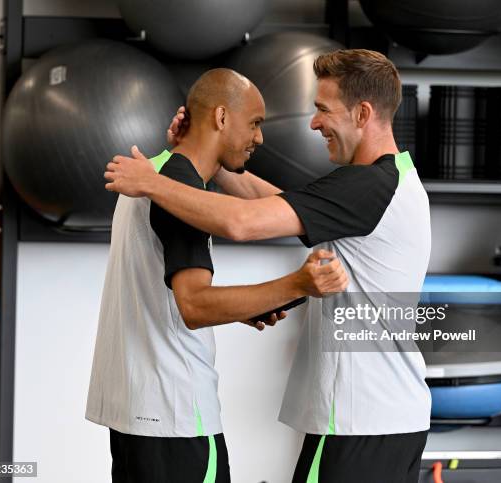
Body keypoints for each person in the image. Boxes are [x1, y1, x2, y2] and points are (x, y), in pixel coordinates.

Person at [104, 49, 431, 483]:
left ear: (362, 113)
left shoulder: (368, 186)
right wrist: (207, 154)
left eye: (322, 110)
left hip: (360, 420)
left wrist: (154, 180)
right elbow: (271, 202)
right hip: (383, 419)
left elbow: (240, 222)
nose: (313, 123)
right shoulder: (392, 180)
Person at [86, 68, 349, 483]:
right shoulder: (178, 192)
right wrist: (297, 284)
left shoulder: (154, 175)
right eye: (256, 123)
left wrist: (246, 306)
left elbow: (166, 292)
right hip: (177, 419)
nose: (260, 138)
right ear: (222, 118)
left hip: (136, 415)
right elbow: (194, 305)